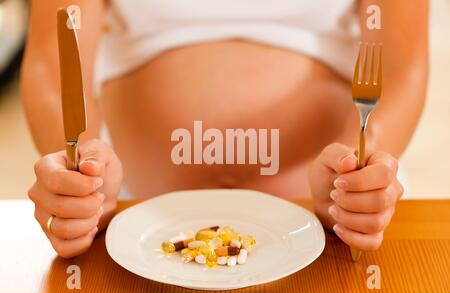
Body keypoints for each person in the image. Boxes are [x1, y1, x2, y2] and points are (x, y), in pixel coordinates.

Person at [21, 0, 428, 258]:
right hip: (133, 224)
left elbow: (403, 66)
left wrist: (358, 171)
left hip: (340, 228)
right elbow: (52, 63)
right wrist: (78, 170)